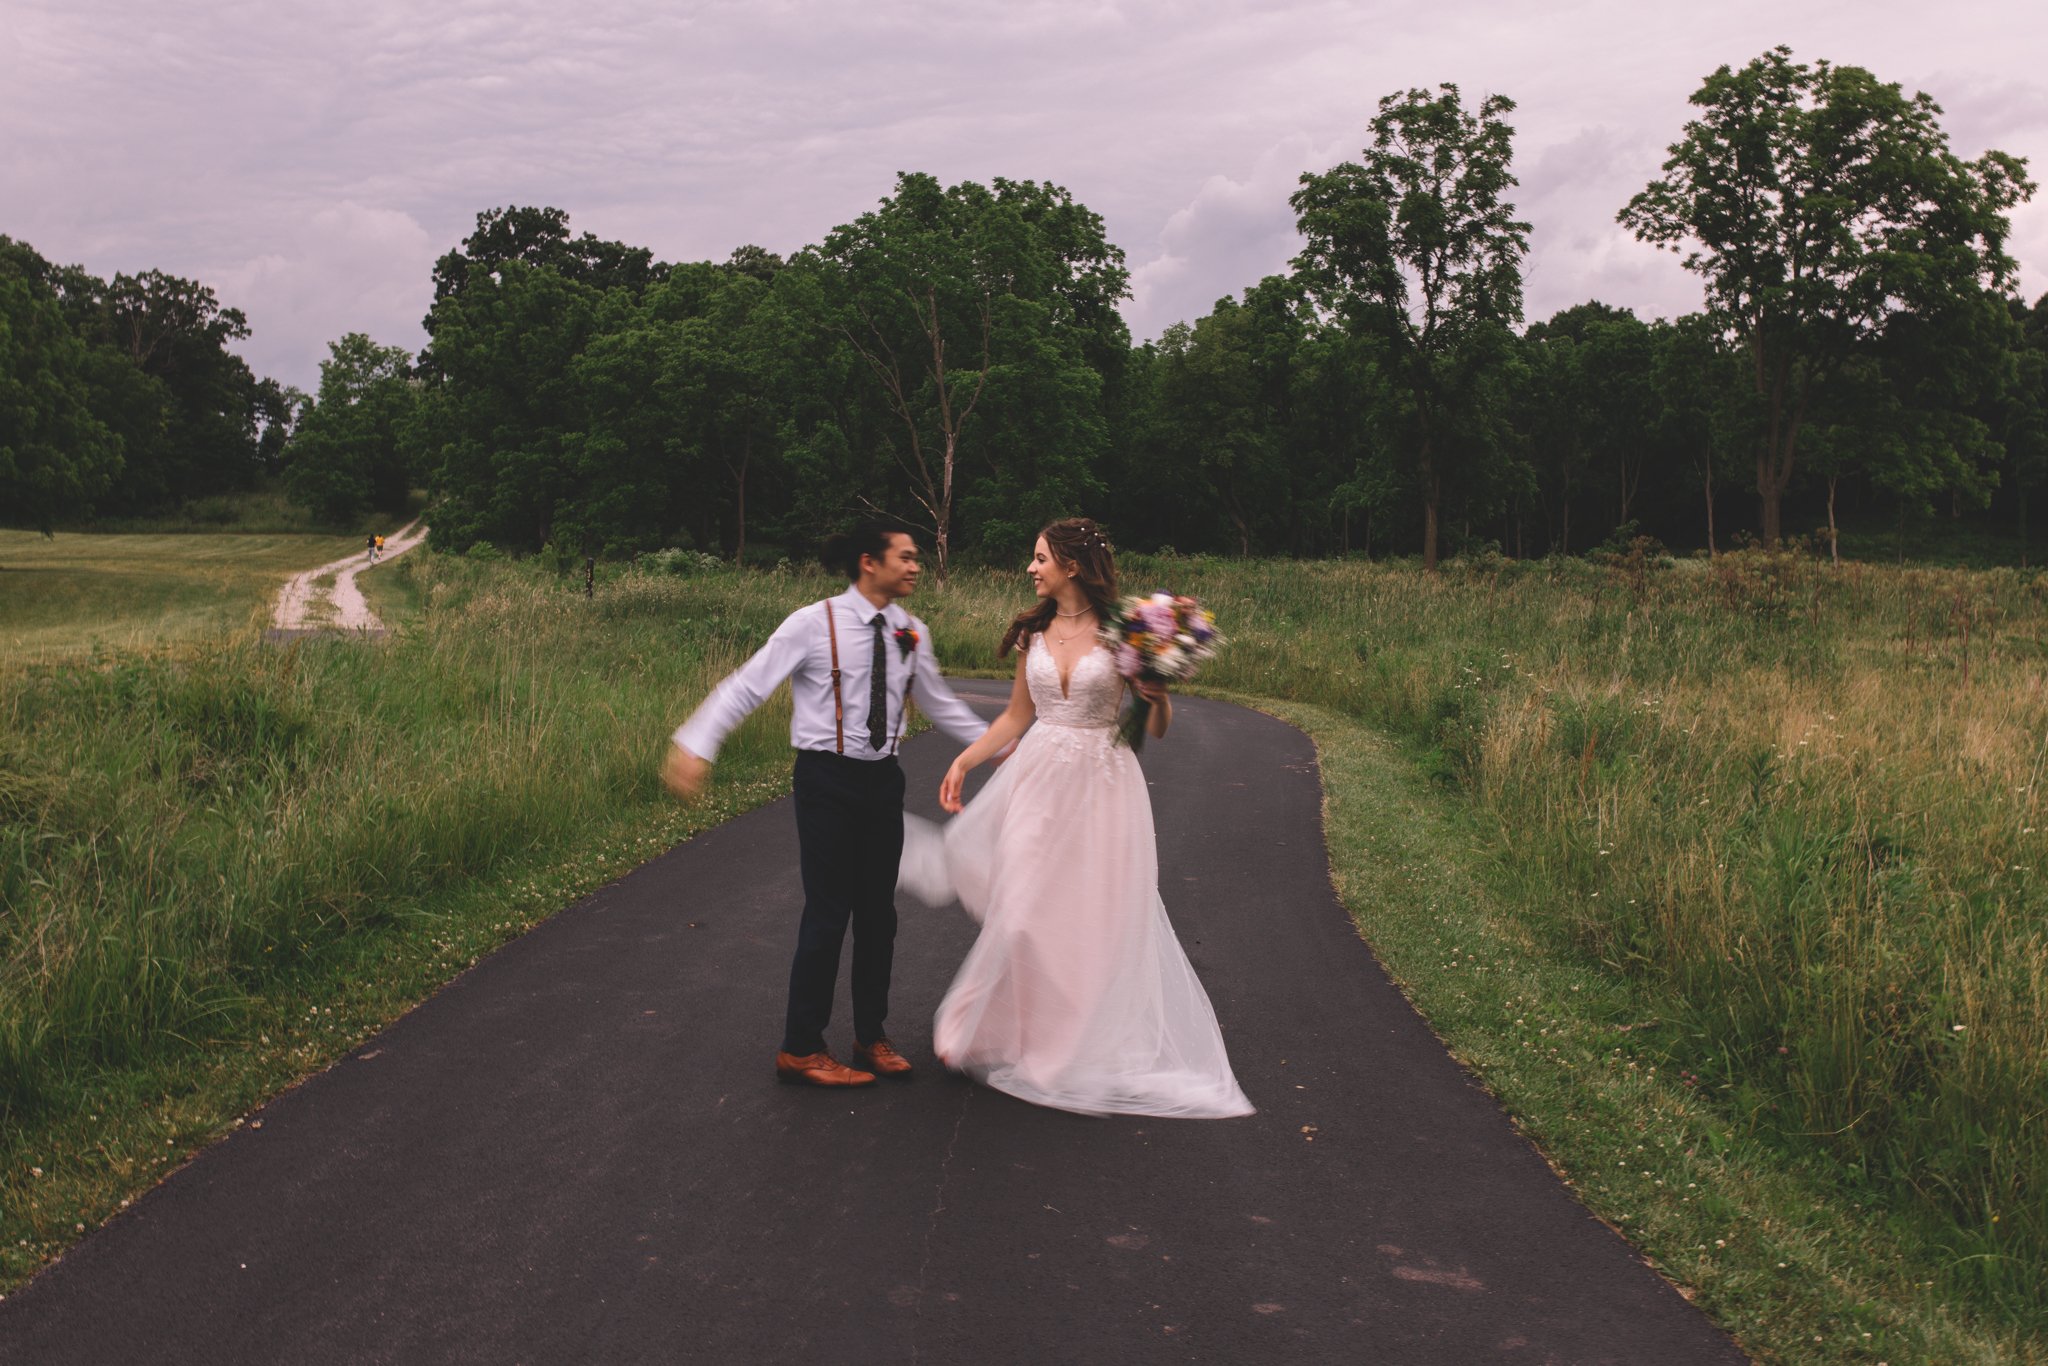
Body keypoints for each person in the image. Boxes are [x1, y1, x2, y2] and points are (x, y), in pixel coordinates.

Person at [907, 518, 1253, 1119]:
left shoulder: (1127, 634)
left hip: (1103, 785)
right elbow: (1017, 717)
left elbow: (1157, 730)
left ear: (1071, 565)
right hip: (1038, 782)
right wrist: (964, 760)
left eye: (1040, 558)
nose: (1031, 569)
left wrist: (1158, 694)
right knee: (1020, 915)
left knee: (1083, 918)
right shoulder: (1032, 634)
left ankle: (1062, 1046)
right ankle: (982, 1029)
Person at [663, 524, 990, 1088]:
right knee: (827, 912)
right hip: (825, 781)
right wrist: (696, 744)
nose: (915, 567)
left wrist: (1001, 746)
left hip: (882, 780)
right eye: (905, 557)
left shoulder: (912, 631)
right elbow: (748, 686)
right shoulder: (812, 624)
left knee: (879, 918)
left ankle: (871, 1036)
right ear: (870, 562)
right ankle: (801, 1047)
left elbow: (939, 703)